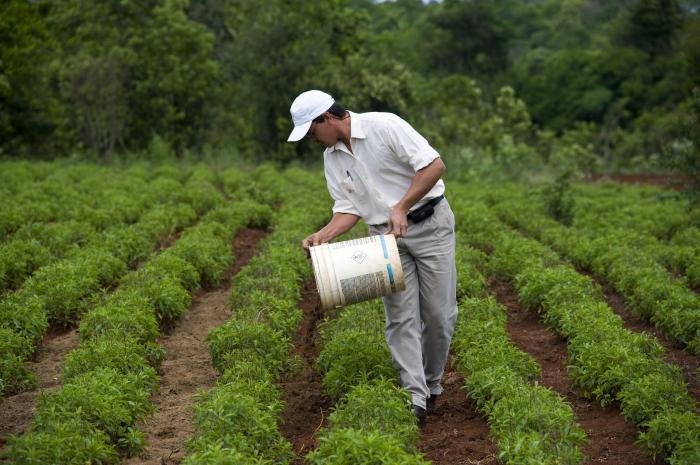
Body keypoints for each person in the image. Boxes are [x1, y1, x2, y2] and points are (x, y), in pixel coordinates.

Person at [288, 89, 457, 427]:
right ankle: (415, 397)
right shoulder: (331, 158)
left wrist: (401, 206)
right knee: (400, 317)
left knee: (439, 315)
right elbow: (347, 209)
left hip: (430, 224)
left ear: (327, 118)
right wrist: (323, 235)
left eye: (312, 131)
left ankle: (432, 382)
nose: (312, 139)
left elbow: (434, 166)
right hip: (384, 238)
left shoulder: (385, 126)